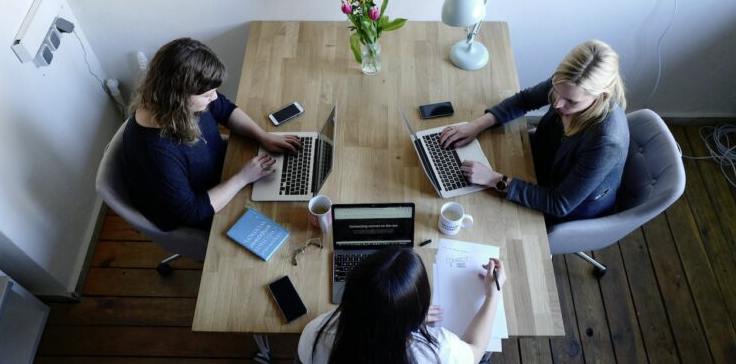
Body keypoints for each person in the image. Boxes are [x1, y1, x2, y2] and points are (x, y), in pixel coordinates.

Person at [122, 38, 302, 234]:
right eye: (207, 95)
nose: (214, 98)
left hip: (222, 172)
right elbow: (190, 211)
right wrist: (242, 178)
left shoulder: (179, 104)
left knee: (286, 193)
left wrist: (262, 136)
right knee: (281, 219)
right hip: (200, 207)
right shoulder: (155, 151)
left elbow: (224, 109)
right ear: (178, 97)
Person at [439, 39, 629, 224]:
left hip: (565, 206)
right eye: (556, 91)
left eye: (571, 101)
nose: (557, 104)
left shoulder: (605, 142)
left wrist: (493, 179)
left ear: (602, 95)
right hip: (541, 163)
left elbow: (558, 204)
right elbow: (525, 100)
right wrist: (476, 126)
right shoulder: (568, 83)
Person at [297, 247, 506, 364]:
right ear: (419, 312)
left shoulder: (315, 334)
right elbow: (475, 349)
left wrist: (396, 315)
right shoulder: (439, 352)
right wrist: (492, 295)